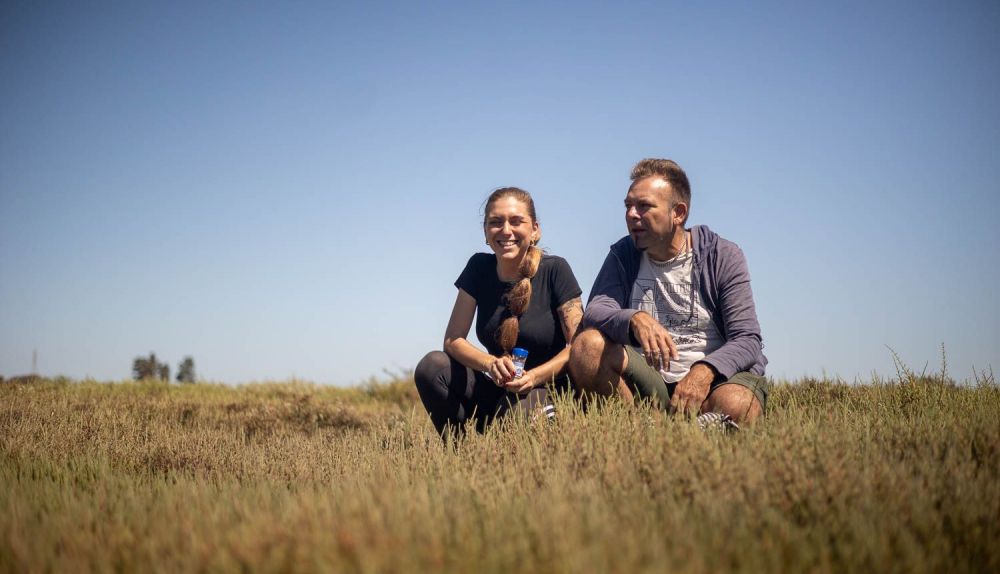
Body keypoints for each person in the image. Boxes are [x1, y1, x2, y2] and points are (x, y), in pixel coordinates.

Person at [568, 159, 768, 425]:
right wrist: (635, 319)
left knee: (738, 404)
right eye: (628, 205)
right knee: (586, 346)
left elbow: (747, 338)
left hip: (714, 381)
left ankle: (697, 437)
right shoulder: (623, 254)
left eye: (644, 206)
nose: (631, 214)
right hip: (650, 382)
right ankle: (641, 430)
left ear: (679, 213)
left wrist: (704, 370)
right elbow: (595, 311)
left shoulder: (722, 255)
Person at [414, 187, 584, 436]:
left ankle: (517, 428)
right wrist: (490, 363)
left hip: (549, 387)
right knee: (431, 367)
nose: (506, 230)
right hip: (498, 387)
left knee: (515, 425)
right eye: (495, 222)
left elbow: (578, 346)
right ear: (485, 232)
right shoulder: (478, 267)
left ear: (534, 229)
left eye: (516, 221)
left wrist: (534, 377)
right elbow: (453, 340)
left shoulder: (556, 270)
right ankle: (461, 453)